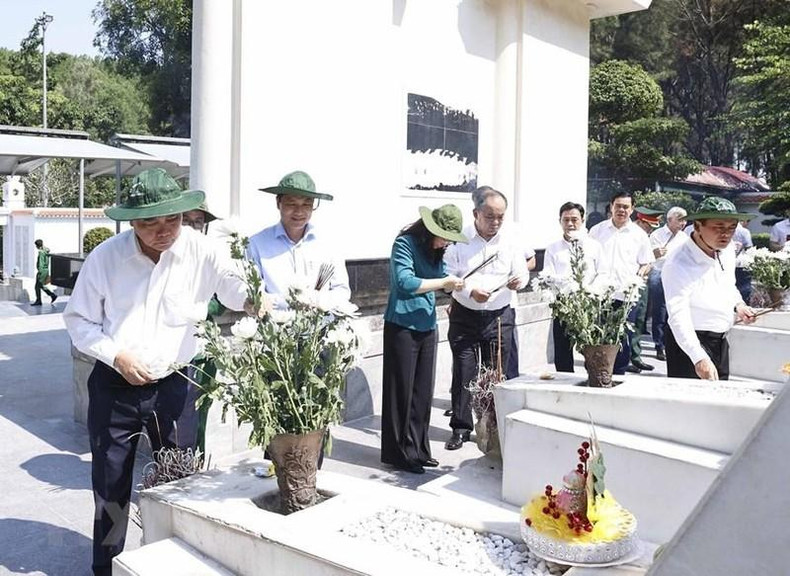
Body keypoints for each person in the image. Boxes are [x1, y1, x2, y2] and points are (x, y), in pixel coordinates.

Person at [63, 169, 255, 576]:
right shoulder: (107, 258)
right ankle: (109, 566)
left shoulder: (202, 252)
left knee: (178, 480)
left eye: (173, 219)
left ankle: (170, 562)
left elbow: (234, 289)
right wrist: (116, 356)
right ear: (132, 220)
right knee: (111, 485)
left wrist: (256, 299)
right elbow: (79, 321)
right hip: (116, 387)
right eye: (150, 222)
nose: (164, 231)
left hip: (176, 386)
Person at [381, 205, 466, 474]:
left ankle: (418, 448)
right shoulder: (403, 243)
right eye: (444, 236)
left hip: (427, 324)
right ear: (429, 228)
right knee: (401, 392)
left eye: (450, 238)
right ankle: (398, 453)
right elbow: (405, 283)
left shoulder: (437, 250)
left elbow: (439, 277)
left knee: (422, 392)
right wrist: (443, 283)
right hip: (401, 325)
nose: (447, 242)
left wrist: (452, 283)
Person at [444, 186, 528, 450]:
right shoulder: (459, 240)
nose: (495, 223)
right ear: (475, 214)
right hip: (465, 315)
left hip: (499, 316)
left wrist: (518, 282)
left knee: (495, 374)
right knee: (464, 371)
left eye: (500, 217)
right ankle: (460, 427)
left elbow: (523, 273)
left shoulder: (510, 240)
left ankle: (492, 425)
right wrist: (469, 290)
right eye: (489, 216)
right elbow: (448, 277)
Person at [662, 197, 756, 380]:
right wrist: (698, 357)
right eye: (718, 227)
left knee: (720, 402)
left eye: (731, 228)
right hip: (689, 344)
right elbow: (677, 316)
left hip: (720, 339)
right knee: (689, 406)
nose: (726, 235)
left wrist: (739, 305)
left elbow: (728, 284)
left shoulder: (727, 250)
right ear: (697, 226)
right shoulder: (678, 262)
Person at [247, 170, 350, 310]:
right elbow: (255, 295)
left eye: (306, 205)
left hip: (322, 329)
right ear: (278, 203)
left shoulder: (328, 245)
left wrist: (316, 301)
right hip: (275, 329)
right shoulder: (256, 244)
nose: (299, 212)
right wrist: (289, 302)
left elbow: (342, 291)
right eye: (291, 204)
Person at [589, 192, 654, 375]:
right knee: (599, 335)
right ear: (611, 206)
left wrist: (642, 272)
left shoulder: (639, 235)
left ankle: (618, 374)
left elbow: (647, 262)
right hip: (600, 293)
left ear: (632, 209)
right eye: (618, 205)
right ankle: (598, 374)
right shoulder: (597, 231)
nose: (621, 210)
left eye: (626, 207)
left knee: (623, 336)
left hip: (626, 295)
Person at [542, 202, 602, 372]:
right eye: (565, 219)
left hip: (589, 303)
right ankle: (563, 387)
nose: (570, 224)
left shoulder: (594, 246)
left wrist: (591, 292)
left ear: (582, 220)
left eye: (574, 219)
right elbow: (548, 275)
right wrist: (567, 284)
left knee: (592, 349)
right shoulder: (553, 249)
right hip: (563, 305)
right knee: (562, 351)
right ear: (559, 221)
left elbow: (602, 273)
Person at [648, 206, 688, 361]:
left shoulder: (684, 238)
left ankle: (672, 343)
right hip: (659, 275)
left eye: (685, 220)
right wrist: (655, 253)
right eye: (680, 220)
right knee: (660, 311)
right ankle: (659, 345)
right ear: (670, 219)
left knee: (675, 310)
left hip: (678, 277)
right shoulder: (657, 235)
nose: (683, 223)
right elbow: (648, 257)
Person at [625, 208, 663, 372]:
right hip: (622, 284)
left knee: (639, 320)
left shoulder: (643, 237)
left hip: (640, 282)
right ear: (640, 221)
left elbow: (647, 261)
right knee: (623, 322)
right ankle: (623, 357)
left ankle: (635, 356)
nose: (650, 230)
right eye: (648, 226)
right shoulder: (626, 234)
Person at [733, 220, 754, 303]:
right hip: (741, 264)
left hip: (724, 264)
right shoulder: (744, 231)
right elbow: (749, 247)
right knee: (743, 288)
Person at [32, 239, 57, 306]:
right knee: (40, 285)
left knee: (38, 286)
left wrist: (39, 271)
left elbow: (40, 263)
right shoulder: (46, 250)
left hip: (42, 271)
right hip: (46, 270)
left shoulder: (41, 253)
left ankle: (41, 300)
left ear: (37, 246)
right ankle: (50, 296)